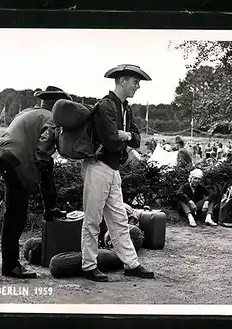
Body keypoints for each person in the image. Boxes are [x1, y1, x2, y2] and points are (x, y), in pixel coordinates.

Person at [81, 64, 155, 282]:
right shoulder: (105, 106)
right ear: (122, 81)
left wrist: (123, 135)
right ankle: (89, 265)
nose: (138, 86)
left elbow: (137, 139)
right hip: (98, 167)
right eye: (135, 82)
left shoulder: (125, 108)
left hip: (113, 169)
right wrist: (125, 136)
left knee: (120, 219)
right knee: (92, 220)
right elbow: (111, 142)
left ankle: (131, 264)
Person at [0, 86, 70, 278]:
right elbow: (43, 152)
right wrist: (33, 176)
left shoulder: (29, 112)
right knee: (16, 215)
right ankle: (11, 266)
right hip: (16, 159)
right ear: (57, 105)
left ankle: (51, 208)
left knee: (15, 210)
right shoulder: (51, 119)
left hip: (3, 156)